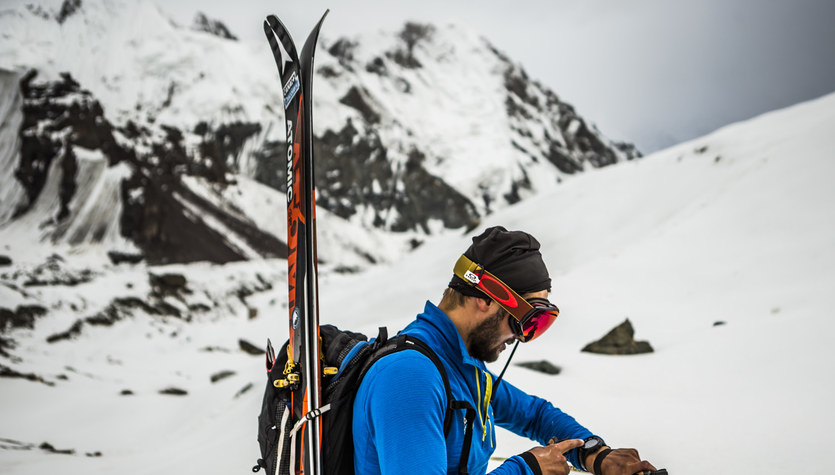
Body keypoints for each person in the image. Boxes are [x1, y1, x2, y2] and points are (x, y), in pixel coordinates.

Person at [352, 226, 659, 475]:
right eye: (527, 319)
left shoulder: (459, 365)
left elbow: (535, 415)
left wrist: (595, 454)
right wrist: (526, 470)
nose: (524, 337)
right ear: (487, 298)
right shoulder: (410, 377)